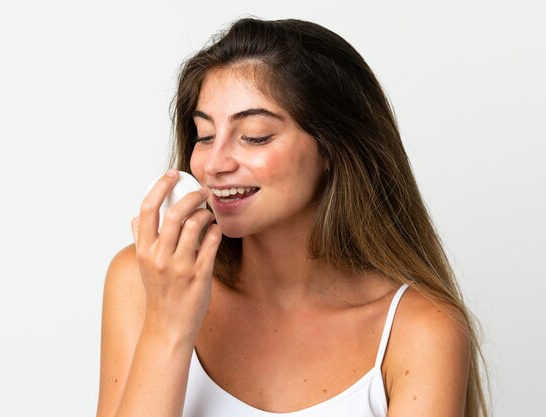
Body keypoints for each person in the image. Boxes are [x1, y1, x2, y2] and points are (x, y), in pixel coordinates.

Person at [96, 18, 489, 417]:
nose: (213, 164)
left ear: (333, 150)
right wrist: (168, 329)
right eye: (204, 134)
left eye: (254, 136)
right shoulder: (141, 282)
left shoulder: (420, 330)